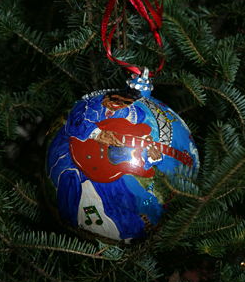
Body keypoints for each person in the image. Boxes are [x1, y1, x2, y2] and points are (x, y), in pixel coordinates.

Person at [47, 89, 163, 240]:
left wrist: (151, 158)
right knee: (69, 185)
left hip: (105, 167)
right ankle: (68, 232)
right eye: (114, 98)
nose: (118, 103)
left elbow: (136, 156)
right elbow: (74, 123)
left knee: (121, 195)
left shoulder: (134, 116)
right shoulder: (89, 106)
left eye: (125, 102)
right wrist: (96, 133)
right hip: (71, 155)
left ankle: (133, 233)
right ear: (106, 96)